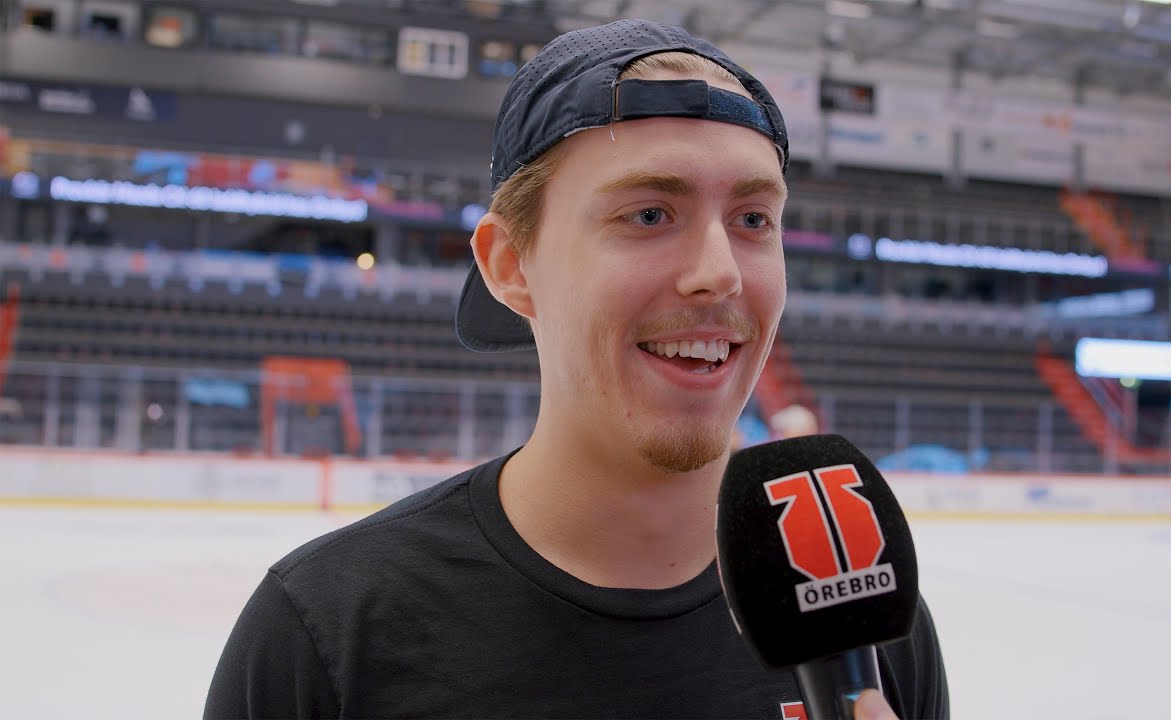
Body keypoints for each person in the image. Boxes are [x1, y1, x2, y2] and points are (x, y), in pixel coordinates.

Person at [205, 19, 948, 719]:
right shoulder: (328, 629)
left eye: (753, 220)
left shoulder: (869, 623)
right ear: (509, 265)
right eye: (649, 215)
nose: (719, 274)